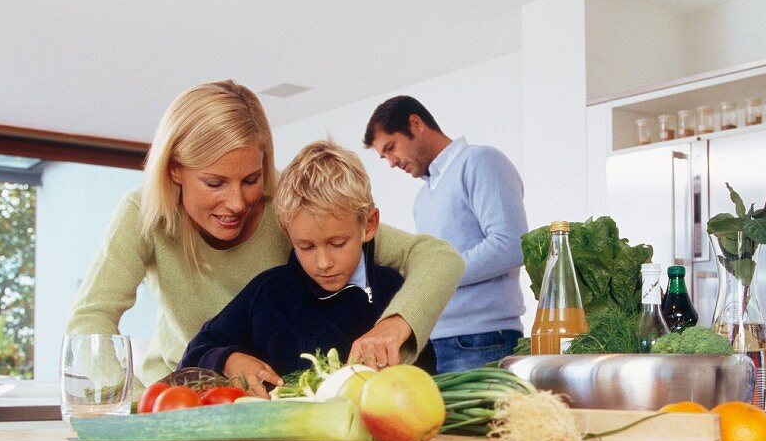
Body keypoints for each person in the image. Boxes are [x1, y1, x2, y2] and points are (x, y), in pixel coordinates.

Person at [66, 81, 462, 396]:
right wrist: (132, 404)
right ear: (174, 170)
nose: (237, 202)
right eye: (215, 183)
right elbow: (91, 319)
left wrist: (393, 325)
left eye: (252, 179)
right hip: (184, 397)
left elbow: (436, 257)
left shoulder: (289, 209)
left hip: (270, 404)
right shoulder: (142, 213)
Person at [179, 139, 436, 380]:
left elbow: (426, 376)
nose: (323, 262)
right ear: (288, 236)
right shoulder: (266, 293)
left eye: (337, 244)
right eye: (306, 247)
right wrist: (229, 360)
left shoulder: (393, 290)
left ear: (369, 225)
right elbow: (195, 353)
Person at [363, 96, 528, 373]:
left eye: (391, 148)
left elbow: (510, 244)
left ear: (415, 124)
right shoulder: (423, 198)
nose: (391, 162)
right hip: (433, 342)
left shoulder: (480, 161)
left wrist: (435, 275)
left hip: (482, 340)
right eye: (384, 156)